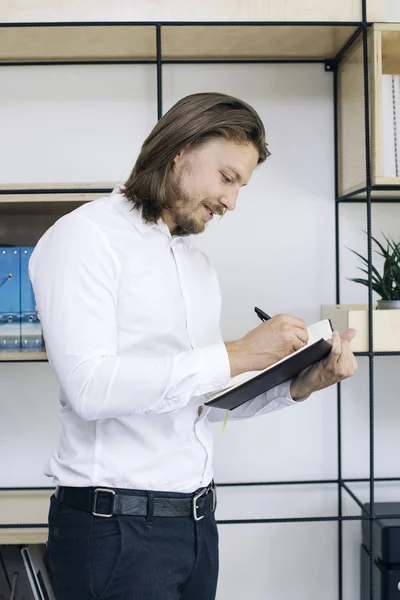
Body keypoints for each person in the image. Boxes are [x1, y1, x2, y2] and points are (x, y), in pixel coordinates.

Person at [29, 92, 357, 600]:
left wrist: (300, 384)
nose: (232, 202)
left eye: (241, 186)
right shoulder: (84, 237)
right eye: (227, 178)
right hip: (114, 533)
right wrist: (238, 352)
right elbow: (91, 388)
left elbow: (199, 401)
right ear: (180, 150)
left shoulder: (198, 268)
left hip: (197, 527)